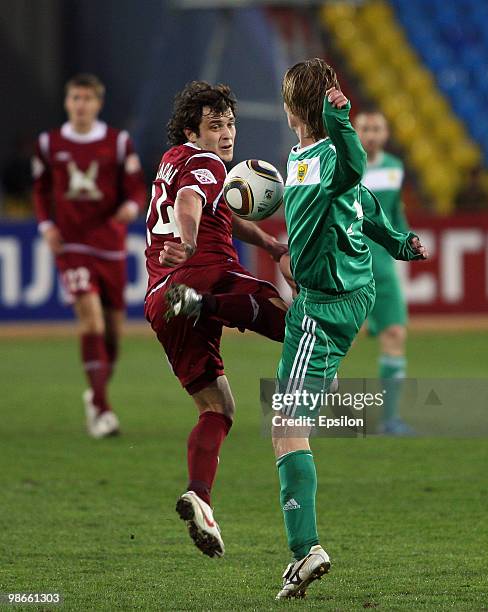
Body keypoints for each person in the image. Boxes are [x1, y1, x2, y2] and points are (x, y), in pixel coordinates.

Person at [272, 59, 428, 599]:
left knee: (285, 423)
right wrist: (398, 244)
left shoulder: (328, 154)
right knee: (303, 391)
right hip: (344, 291)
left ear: (291, 109)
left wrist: (341, 121)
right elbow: (361, 205)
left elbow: (355, 172)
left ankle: (304, 550)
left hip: (323, 305)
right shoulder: (300, 159)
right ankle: (331, 392)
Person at [144, 81, 288, 558]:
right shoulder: (203, 163)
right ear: (193, 130)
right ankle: (205, 305)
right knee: (296, 322)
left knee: (218, 410)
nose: (226, 134)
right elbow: (191, 204)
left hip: (162, 298)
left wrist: (267, 244)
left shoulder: (173, 160)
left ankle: (200, 497)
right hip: (203, 273)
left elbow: (217, 209)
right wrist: (186, 242)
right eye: (215, 125)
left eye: (229, 123)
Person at [32, 73, 146, 438]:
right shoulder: (49, 144)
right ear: (67, 102)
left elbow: (136, 189)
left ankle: (95, 395)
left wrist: (130, 207)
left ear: (98, 103)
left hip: (110, 244)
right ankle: (102, 409)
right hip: (72, 244)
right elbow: (40, 190)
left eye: (87, 98)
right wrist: (47, 226)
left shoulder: (117, 142)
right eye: (75, 98)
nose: (80, 105)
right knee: (91, 321)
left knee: (113, 333)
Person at [354, 109, 412, 435]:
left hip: (384, 267)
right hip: (349, 264)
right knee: (335, 341)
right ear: (355, 132)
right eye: (366, 128)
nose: (372, 135)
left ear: (386, 134)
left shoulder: (394, 168)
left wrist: (408, 241)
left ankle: (391, 420)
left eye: (377, 129)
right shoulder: (344, 164)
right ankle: (307, 413)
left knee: (395, 334)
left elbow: (394, 214)